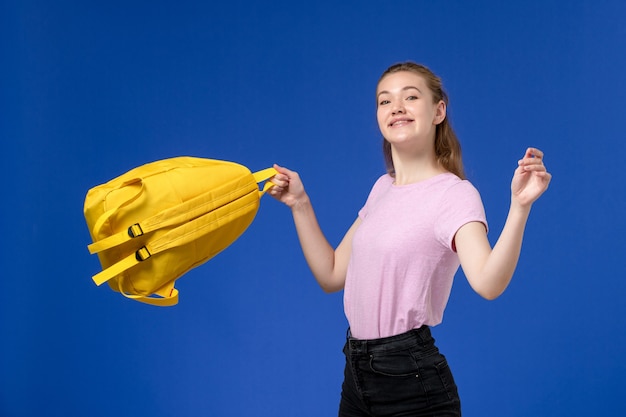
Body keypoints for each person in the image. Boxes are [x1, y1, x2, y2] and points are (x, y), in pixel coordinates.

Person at [268, 61, 551, 417]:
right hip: (355, 374)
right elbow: (332, 274)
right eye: (385, 101)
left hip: (410, 380)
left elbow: (488, 283)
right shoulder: (382, 188)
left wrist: (519, 208)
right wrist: (300, 203)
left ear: (438, 110)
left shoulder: (454, 195)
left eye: (411, 97)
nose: (396, 107)